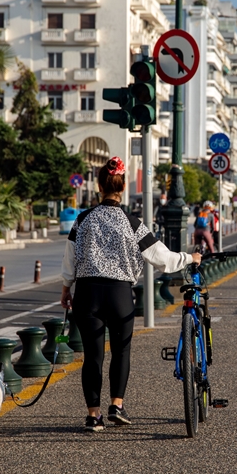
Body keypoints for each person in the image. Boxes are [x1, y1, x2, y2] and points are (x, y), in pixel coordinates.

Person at [60, 157, 201, 432]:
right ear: (122, 187)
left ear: (99, 186)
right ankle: (117, 405)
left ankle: (93, 415)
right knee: (121, 351)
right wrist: (190, 257)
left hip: (87, 293)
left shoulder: (83, 220)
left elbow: (69, 259)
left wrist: (67, 288)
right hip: (119, 295)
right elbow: (164, 260)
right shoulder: (132, 223)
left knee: (93, 356)